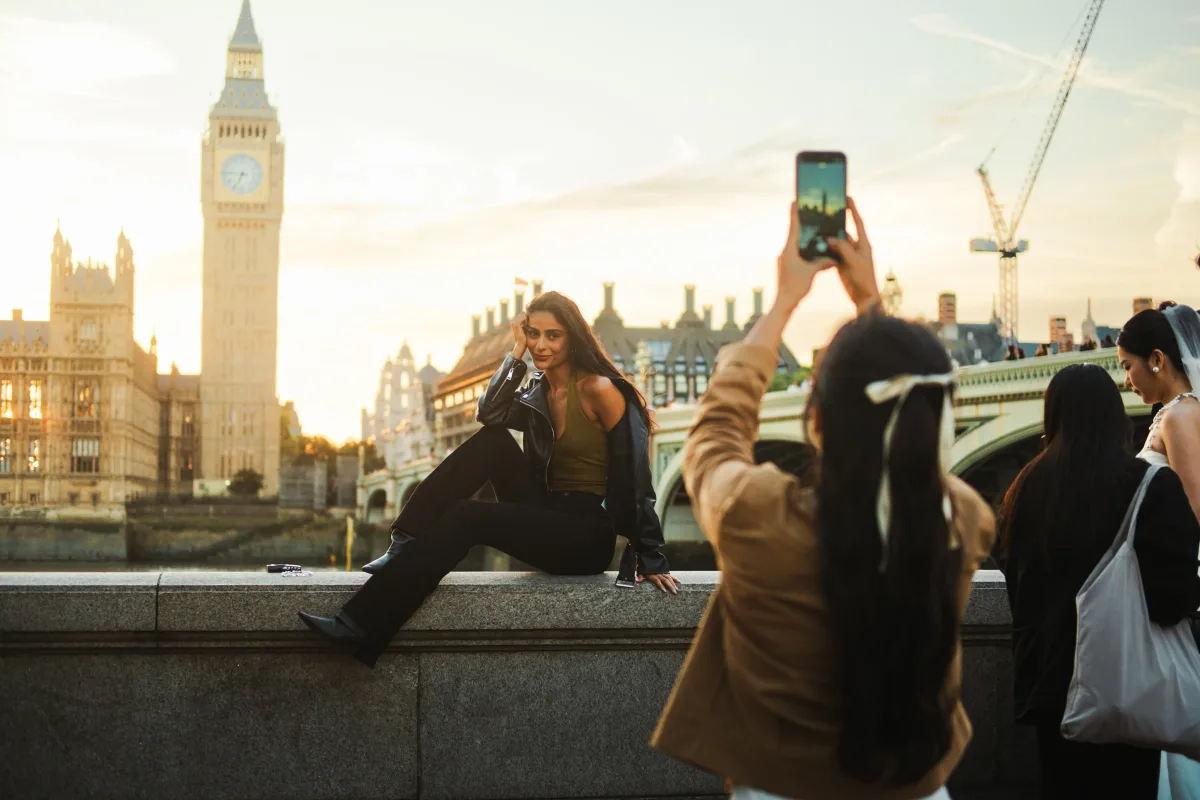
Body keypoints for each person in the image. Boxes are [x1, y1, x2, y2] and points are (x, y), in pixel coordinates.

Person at [651, 198, 995, 799]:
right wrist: (871, 304)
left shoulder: (755, 513)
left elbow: (715, 437)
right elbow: (905, 417)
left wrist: (785, 299)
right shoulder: (962, 521)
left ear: (816, 419)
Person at [298, 291, 681, 667]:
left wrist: (652, 556)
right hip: (546, 512)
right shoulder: (538, 392)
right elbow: (490, 412)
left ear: (573, 337)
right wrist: (515, 352)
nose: (540, 345)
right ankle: (405, 541)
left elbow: (635, 475)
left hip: (586, 535)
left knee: (469, 516)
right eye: (533, 334)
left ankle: (360, 624)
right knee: (492, 442)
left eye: (553, 335)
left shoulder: (600, 389)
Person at [996, 363, 1200, 799]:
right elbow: (1172, 598)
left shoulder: (1023, 491)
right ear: (1115, 418)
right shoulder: (1151, 486)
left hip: (1049, 691)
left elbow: (1018, 588)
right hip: (1123, 687)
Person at [1117, 301, 1200, 797]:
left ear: (1156, 359)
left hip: (1176, 588)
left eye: (1127, 365)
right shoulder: (1176, 414)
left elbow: (1196, 505)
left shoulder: (1180, 417)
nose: (1127, 378)